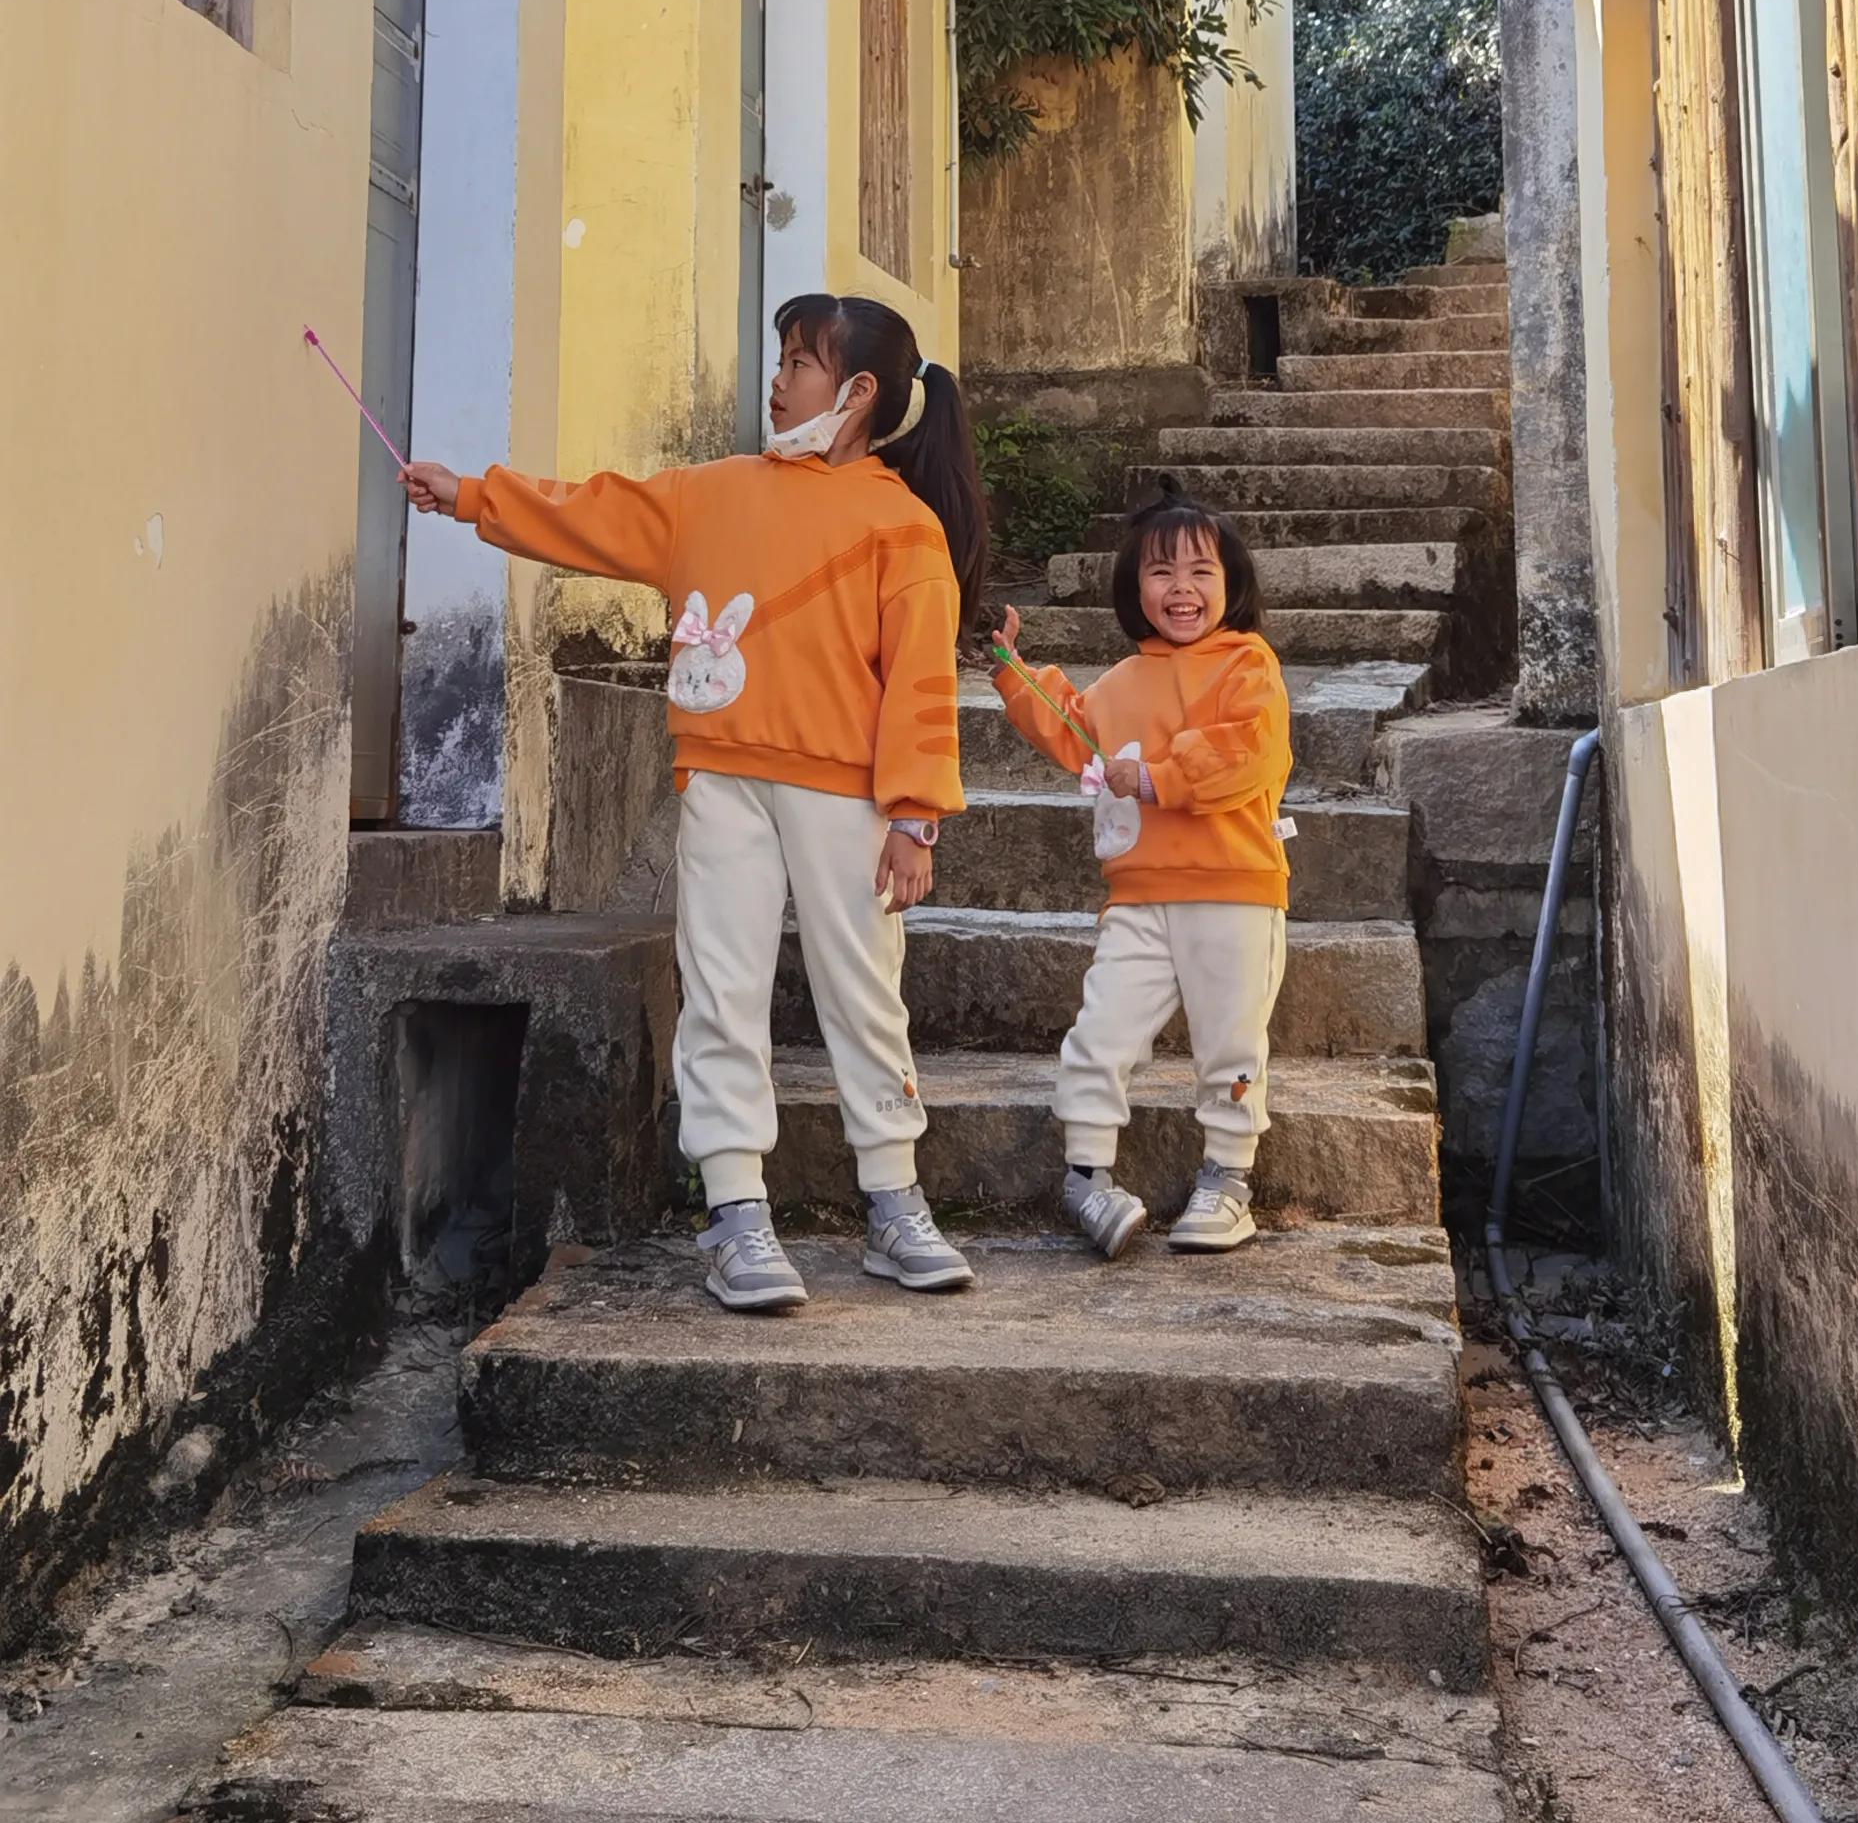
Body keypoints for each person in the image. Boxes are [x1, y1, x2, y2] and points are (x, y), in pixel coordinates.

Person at [406, 294, 987, 1316]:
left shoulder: (904, 526)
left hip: (848, 797)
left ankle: (894, 1203)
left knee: (863, 994)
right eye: (779, 359)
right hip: (719, 780)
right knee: (719, 991)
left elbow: (921, 681)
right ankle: (736, 1215)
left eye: (799, 363)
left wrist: (913, 815)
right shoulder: (713, 493)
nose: (775, 380)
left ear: (855, 394)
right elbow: (593, 509)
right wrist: (470, 496)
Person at [993, 485, 1292, 1258]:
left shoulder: (1249, 665)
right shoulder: (1122, 682)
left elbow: (1247, 752)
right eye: (1161, 573)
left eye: (1201, 571)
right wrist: (1008, 666)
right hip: (1138, 897)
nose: (1181, 590)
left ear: (1232, 585)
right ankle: (1088, 1178)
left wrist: (1157, 775)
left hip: (1234, 890)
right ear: (1134, 588)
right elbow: (1071, 730)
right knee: (1100, 1035)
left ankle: (1228, 1180)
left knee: (1231, 1046)